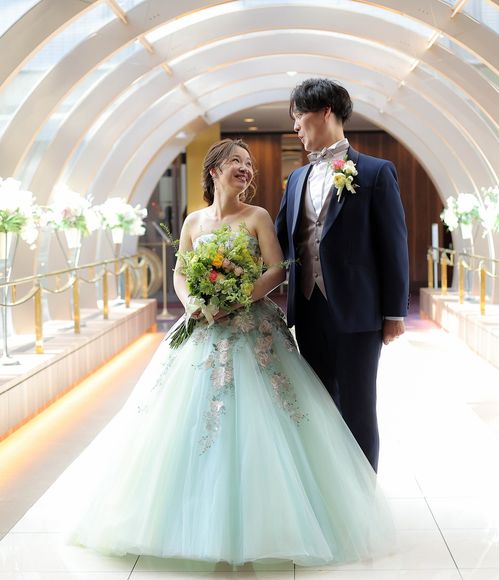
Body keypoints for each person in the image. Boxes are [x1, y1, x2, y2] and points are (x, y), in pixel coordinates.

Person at [66, 138, 395, 565]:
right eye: (236, 161)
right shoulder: (193, 221)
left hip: (250, 327)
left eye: (249, 164)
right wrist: (193, 302)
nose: (246, 169)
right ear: (214, 170)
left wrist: (237, 298)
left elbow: (276, 270)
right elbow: (180, 271)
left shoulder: (257, 217)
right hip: (203, 327)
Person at [276, 78, 409, 472]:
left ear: (325, 112)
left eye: (299, 116)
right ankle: (330, 490)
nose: (295, 126)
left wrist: (394, 313)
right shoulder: (296, 179)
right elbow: (281, 240)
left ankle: (363, 495)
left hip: (359, 315)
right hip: (308, 311)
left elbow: (394, 245)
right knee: (319, 407)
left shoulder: (376, 172)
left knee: (358, 408)